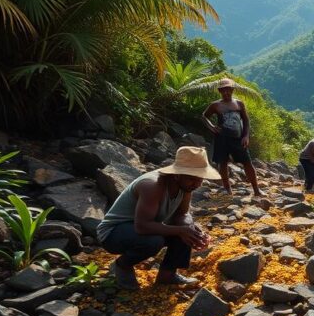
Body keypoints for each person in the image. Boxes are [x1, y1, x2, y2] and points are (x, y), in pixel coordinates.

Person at [97, 146, 219, 290]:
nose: (197, 184)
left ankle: (167, 276)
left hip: (144, 227)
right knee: (154, 241)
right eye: (192, 179)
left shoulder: (186, 186)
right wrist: (181, 230)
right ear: (176, 175)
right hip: (113, 233)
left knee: (188, 229)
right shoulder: (153, 186)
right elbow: (142, 226)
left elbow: (182, 214)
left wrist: (189, 230)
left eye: (200, 179)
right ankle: (123, 265)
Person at [202, 78, 261, 196]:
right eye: (223, 90)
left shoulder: (239, 103)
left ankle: (257, 190)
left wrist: (246, 136)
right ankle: (227, 189)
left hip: (238, 139)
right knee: (222, 163)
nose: (226, 93)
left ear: (232, 90)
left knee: (247, 162)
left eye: (228, 90)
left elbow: (246, 120)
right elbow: (204, 116)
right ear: (219, 91)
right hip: (222, 138)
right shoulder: (215, 105)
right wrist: (212, 127)